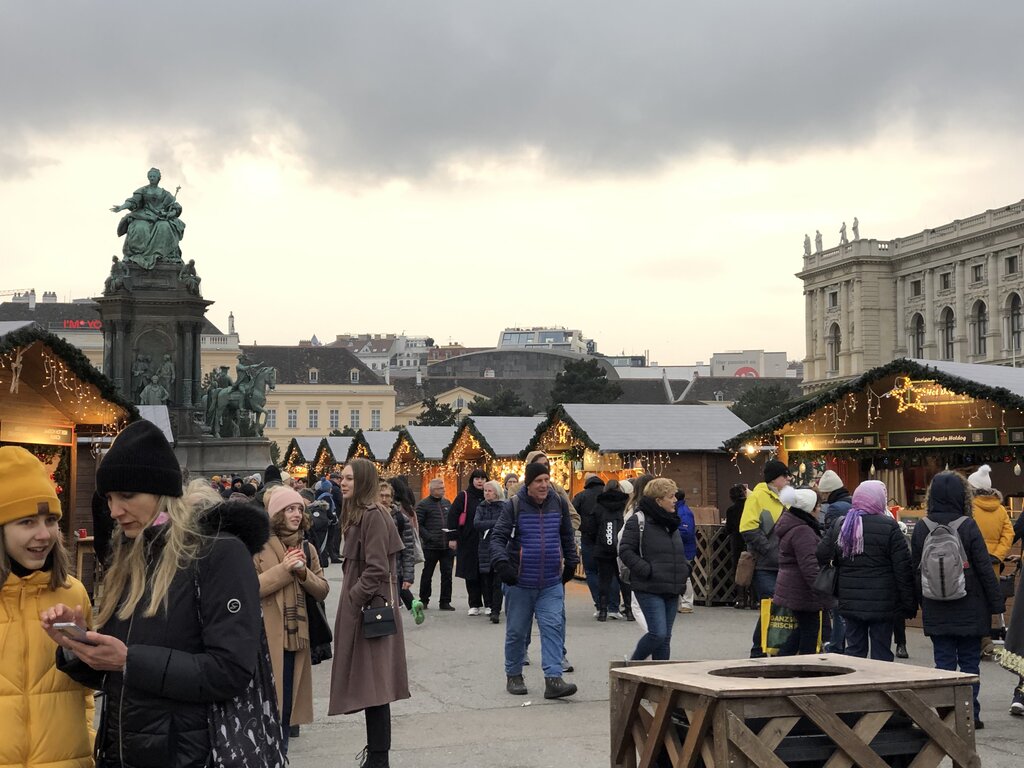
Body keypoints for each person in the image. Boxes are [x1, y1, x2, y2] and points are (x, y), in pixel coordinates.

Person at [43, 420, 272, 768]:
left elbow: (230, 671)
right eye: (109, 498)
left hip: (193, 756)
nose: (114, 511)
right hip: (124, 753)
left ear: (161, 492)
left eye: (127, 495)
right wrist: (79, 645)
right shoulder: (132, 554)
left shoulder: (220, 553)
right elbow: (119, 669)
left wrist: (128, 660)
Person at [1, 447, 95, 768]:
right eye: (27, 521)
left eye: (51, 520)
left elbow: (87, 694)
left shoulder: (74, 593)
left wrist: (80, 648)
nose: (44, 535)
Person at [329, 458, 410, 768]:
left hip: (369, 611)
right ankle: (377, 756)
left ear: (363, 481)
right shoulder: (361, 514)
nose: (344, 482)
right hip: (366, 609)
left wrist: (354, 597)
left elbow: (376, 567)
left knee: (375, 687)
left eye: (350, 478)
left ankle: (379, 758)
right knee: (372, 685)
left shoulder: (373, 516)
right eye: (342, 477)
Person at [911, 471, 1004, 729]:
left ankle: (945, 715)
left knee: (943, 663)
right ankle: (970, 715)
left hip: (936, 605)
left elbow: (915, 569)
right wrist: (996, 604)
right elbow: (984, 567)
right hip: (970, 605)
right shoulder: (968, 525)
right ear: (963, 495)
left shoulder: (922, 526)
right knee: (969, 663)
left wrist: (919, 601)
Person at [490, 461, 579, 699]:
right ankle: (514, 674)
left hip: (550, 581)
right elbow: (497, 537)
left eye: (546, 480)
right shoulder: (514, 505)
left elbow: (567, 535)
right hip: (519, 581)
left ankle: (554, 678)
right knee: (518, 632)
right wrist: (502, 564)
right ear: (528, 484)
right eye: (538, 481)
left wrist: (571, 561)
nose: (544, 485)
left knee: (553, 628)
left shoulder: (558, 503)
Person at [254, 487, 329, 755]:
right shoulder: (256, 545)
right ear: (276, 514)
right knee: (265, 710)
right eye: (289, 509)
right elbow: (249, 587)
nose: (297, 514)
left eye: (299, 509)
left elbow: (322, 589)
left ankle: (280, 756)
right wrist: (284, 570)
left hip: (295, 641)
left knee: (285, 710)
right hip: (262, 641)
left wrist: (302, 572)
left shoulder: (306, 547)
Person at [816, 479, 915, 662]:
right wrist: (909, 603)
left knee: (854, 652)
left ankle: (855, 687)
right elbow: (903, 568)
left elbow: (821, 554)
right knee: (882, 653)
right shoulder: (889, 526)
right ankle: (881, 688)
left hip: (849, 600)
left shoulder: (842, 524)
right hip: (882, 603)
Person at [619, 477, 691, 661]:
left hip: (671, 585)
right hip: (649, 586)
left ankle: (659, 679)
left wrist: (684, 568)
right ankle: (633, 666)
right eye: (671, 496)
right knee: (657, 634)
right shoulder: (638, 520)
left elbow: (675, 552)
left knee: (665, 638)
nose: (675, 500)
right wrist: (646, 570)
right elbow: (625, 550)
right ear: (659, 501)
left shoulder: (671, 522)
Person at [740, 459, 791, 657]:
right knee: (771, 606)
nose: (788, 478)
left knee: (777, 607)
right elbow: (748, 528)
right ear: (773, 478)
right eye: (784, 475)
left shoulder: (787, 498)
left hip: (783, 564)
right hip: (764, 565)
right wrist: (770, 550)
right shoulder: (757, 497)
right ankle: (759, 649)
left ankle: (769, 647)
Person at [966, 465, 1015, 658]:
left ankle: (978, 639)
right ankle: (984, 637)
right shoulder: (1001, 510)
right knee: (986, 602)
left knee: (970, 600)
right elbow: (1008, 534)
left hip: (971, 563)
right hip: (992, 565)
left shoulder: (968, 509)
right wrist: (997, 555)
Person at [770, 487, 826, 655]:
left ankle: (781, 665)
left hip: (793, 587)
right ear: (809, 509)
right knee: (810, 630)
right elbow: (809, 566)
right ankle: (804, 669)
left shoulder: (794, 525)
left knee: (802, 629)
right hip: (802, 589)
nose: (820, 509)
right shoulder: (803, 530)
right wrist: (822, 591)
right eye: (817, 506)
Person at [110, 167, 185, 267]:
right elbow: (132, 201)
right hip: (143, 216)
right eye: (150, 176)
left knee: (165, 227)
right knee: (139, 228)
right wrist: (122, 207)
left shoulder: (165, 194)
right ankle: (138, 254)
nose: (152, 178)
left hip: (160, 217)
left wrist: (170, 213)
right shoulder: (142, 190)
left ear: (159, 178)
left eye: (154, 176)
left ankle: (161, 255)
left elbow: (175, 207)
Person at [815, 469, 853, 652]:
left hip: (839, 563)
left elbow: (829, 538)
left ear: (829, 492)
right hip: (853, 559)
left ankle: (837, 645)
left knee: (837, 609)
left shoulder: (834, 508)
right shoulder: (852, 502)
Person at [575, 473, 617, 619]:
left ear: (586, 482)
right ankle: (613, 606)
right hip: (608, 538)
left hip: (588, 538)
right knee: (610, 573)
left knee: (592, 572)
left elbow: (573, 515)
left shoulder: (581, 496)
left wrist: (582, 528)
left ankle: (599, 604)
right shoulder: (609, 496)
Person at [380, 480, 422, 623]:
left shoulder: (401, 519)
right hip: (375, 569)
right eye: (381, 496)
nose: (384, 499)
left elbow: (407, 550)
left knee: (393, 606)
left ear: (392, 497)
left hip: (394, 569)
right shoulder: (369, 517)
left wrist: (408, 576)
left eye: (387, 496)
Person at [449, 468, 487, 614]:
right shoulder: (464, 496)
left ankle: (489, 604)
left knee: (487, 573)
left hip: (486, 540)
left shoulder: (490, 494)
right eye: (477, 478)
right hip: (468, 540)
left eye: (483, 478)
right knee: (471, 574)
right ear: (472, 480)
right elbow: (452, 516)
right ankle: (474, 604)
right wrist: (452, 538)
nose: (480, 481)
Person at [592, 478, 631, 621]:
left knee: (604, 580)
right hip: (622, 547)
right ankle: (629, 610)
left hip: (603, 548)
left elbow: (592, 526)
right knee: (624, 580)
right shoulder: (625, 504)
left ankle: (603, 611)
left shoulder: (599, 504)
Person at [416, 478, 454, 610]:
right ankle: (424, 599)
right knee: (427, 573)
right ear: (432, 490)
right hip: (431, 546)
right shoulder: (423, 504)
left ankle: (445, 601)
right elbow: (418, 524)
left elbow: (451, 521)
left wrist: (452, 537)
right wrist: (428, 537)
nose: (443, 490)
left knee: (447, 574)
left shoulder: (447, 503)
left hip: (446, 546)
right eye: (440, 488)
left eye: (443, 488)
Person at [474, 479, 507, 624]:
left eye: (489, 491)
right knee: (486, 578)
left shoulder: (504, 507)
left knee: (497, 579)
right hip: (485, 546)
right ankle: (489, 605)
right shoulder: (481, 507)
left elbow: (505, 523)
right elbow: (477, 524)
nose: (487, 493)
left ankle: (496, 610)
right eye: (485, 491)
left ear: (496, 492)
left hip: (500, 545)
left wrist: (492, 526)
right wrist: (494, 525)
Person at [724, 483, 754, 609]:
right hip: (751, 540)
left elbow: (728, 529)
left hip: (737, 541)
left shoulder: (731, 510)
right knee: (753, 568)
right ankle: (754, 599)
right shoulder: (751, 506)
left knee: (738, 568)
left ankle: (741, 598)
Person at [675, 490, 697, 614]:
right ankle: (682, 603)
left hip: (685, 549)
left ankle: (687, 603)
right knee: (682, 575)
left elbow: (686, 532)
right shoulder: (682, 510)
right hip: (684, 548)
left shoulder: (683, 512)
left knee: (685, 576)